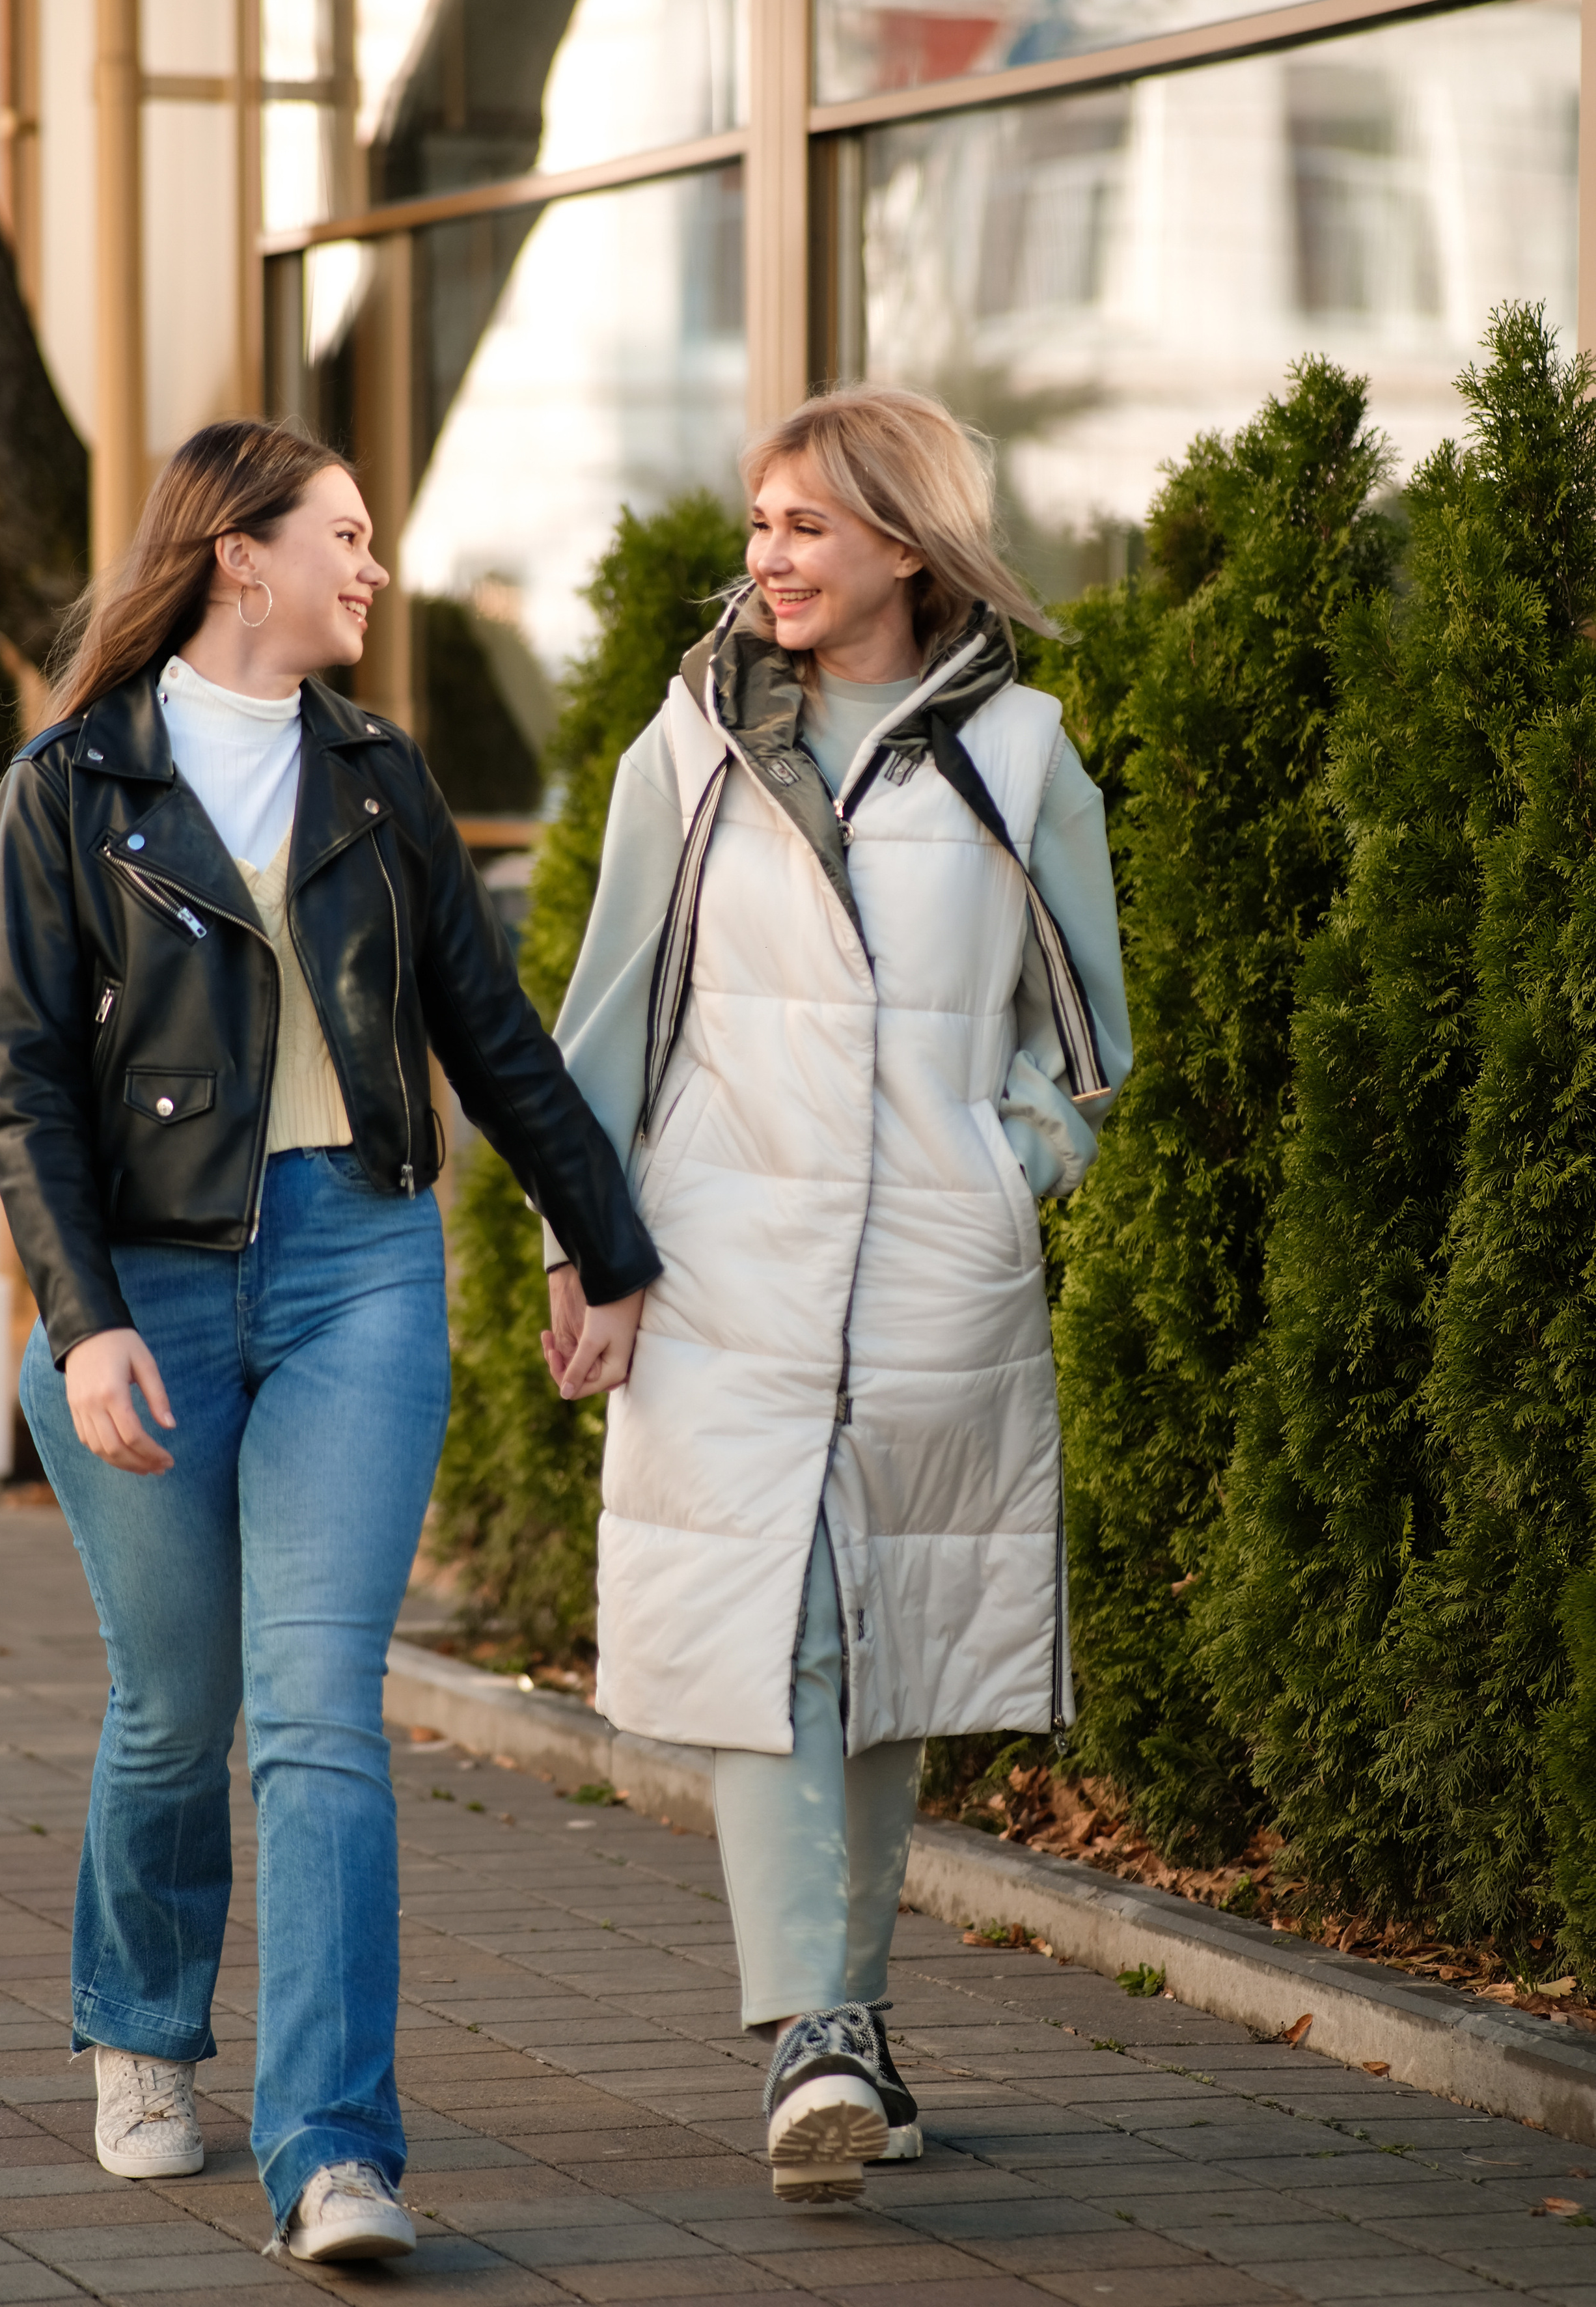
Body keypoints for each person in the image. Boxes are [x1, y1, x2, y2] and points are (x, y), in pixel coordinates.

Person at [0, 421, 657, 2262]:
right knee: (176, 1710)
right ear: (236, 557)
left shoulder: (378, 776)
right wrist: (85, 1322)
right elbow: (27, 1086)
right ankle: (138, 2025)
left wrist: (608, 1249)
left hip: (361, 1266)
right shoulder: (76, 785)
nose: (371, 568)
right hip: (148, 1283)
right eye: (342, 535)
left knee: (316, 1718)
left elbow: (493, 1035)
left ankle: (336, 2153)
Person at [540, 385, 1131, 2202]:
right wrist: (593, 1248)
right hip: (723, 1267)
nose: (768, 557)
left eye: (804, 524)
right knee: (778, 1632)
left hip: (932, 1279)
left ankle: (849, 2027)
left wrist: (990, 1175)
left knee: (887, 1650)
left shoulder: (1022, 756)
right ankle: (812, 2024)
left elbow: (1085, 1044)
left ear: (903, 538)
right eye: (758, 526)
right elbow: (608, 1017)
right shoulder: (690, 750)